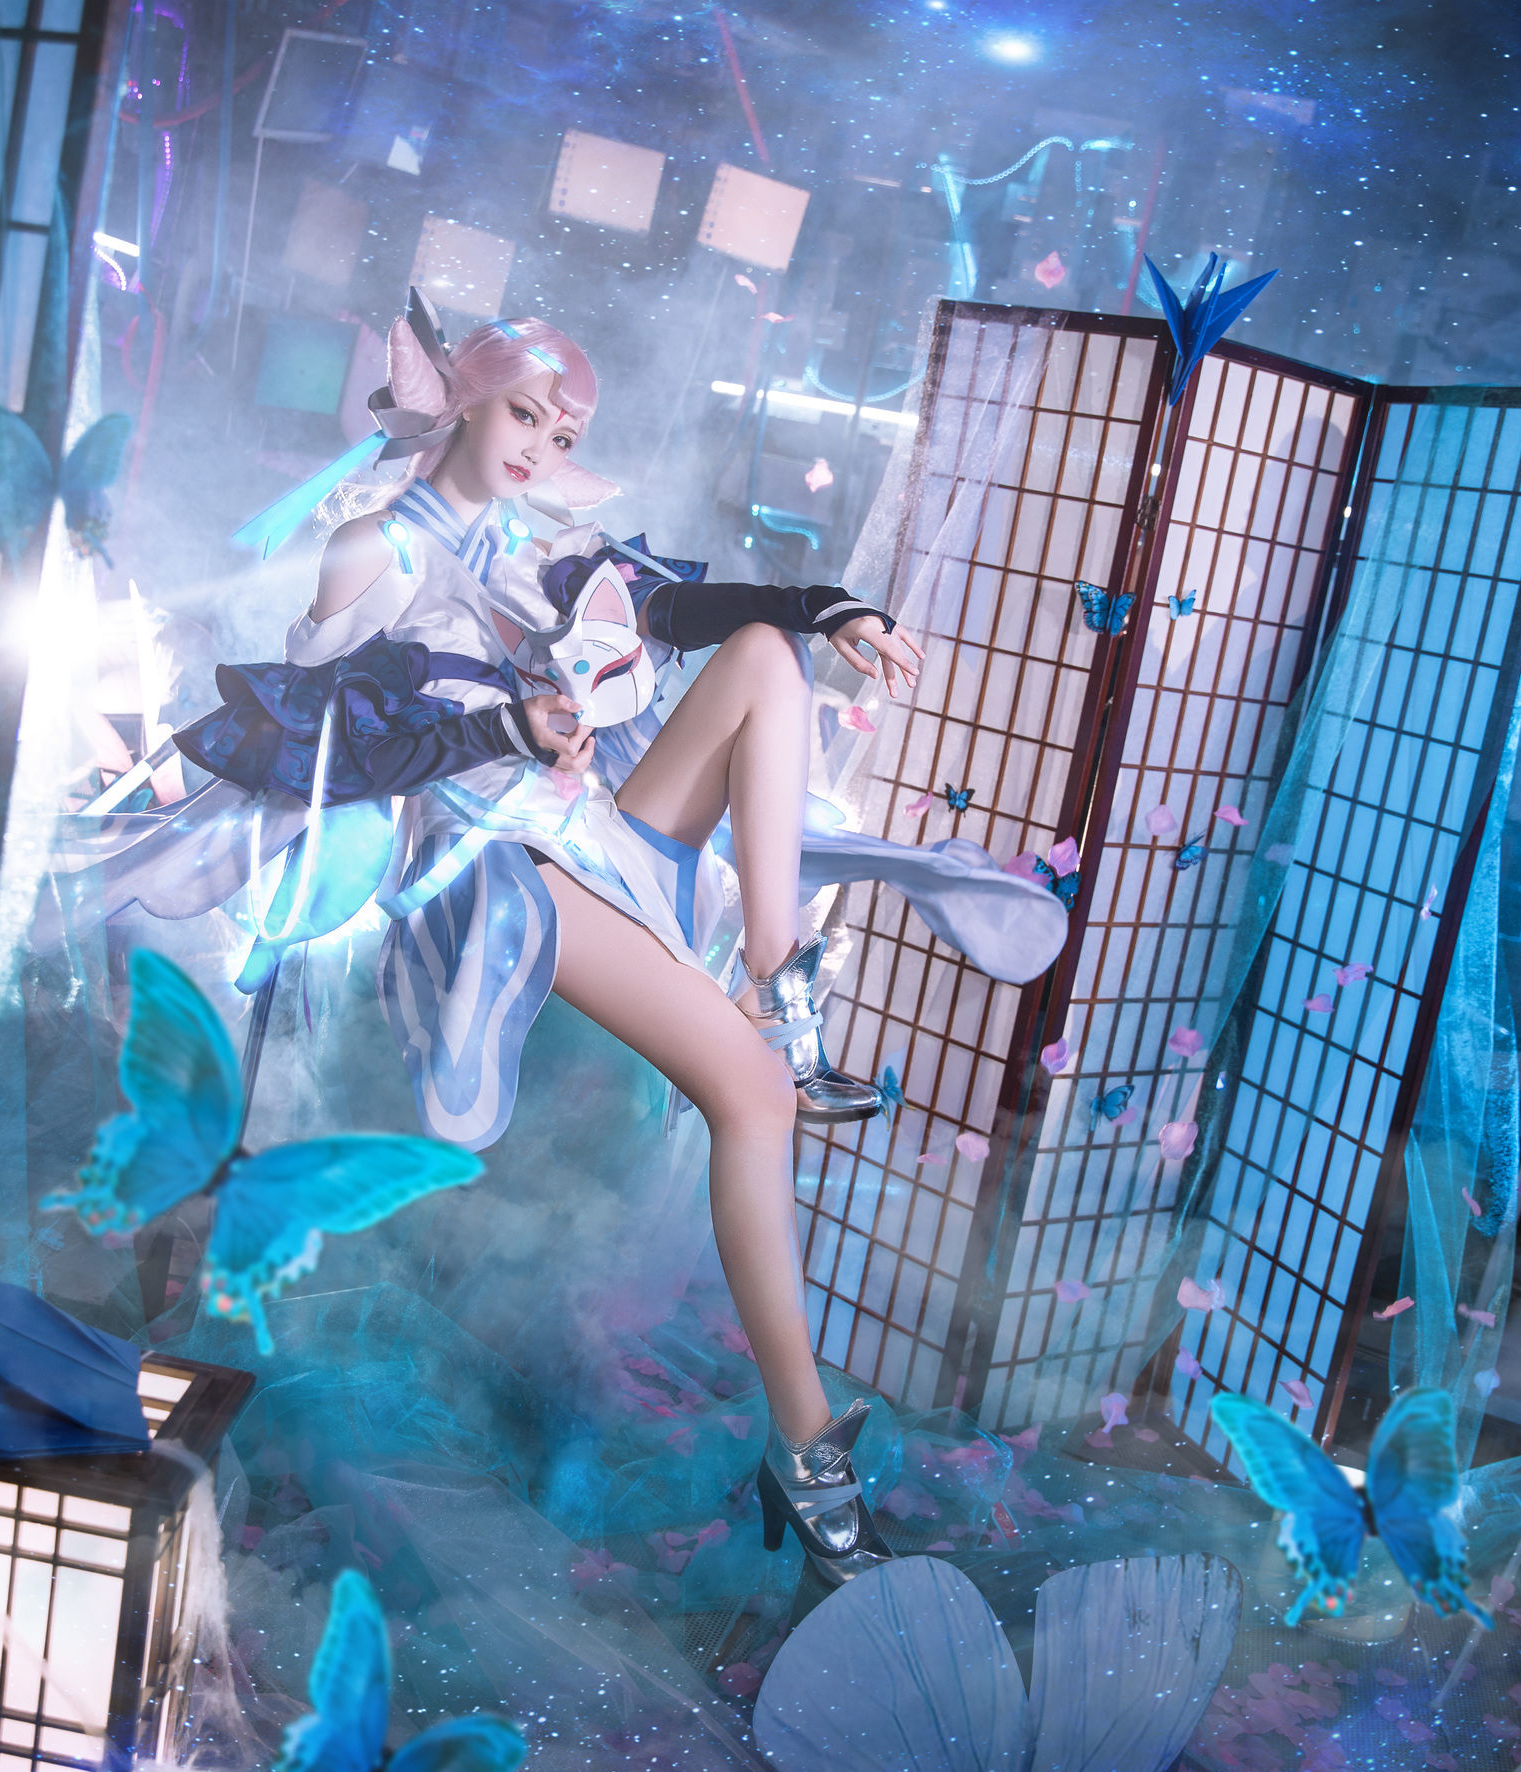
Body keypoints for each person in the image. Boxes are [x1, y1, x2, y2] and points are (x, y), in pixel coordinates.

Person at [125, 294, 1064, 1587]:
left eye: (562, 434)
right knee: (750, 1100)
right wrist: (502, 731)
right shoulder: (374, 549)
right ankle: (808, 1451)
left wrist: (827, 603)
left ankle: (780, 975)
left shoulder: (542, 544)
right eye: (524, 414)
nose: (538, 446)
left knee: (765, 656)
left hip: (592, 831)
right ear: (466, 397)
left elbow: (677, 609)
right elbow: (330, 750)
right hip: (491, 866)